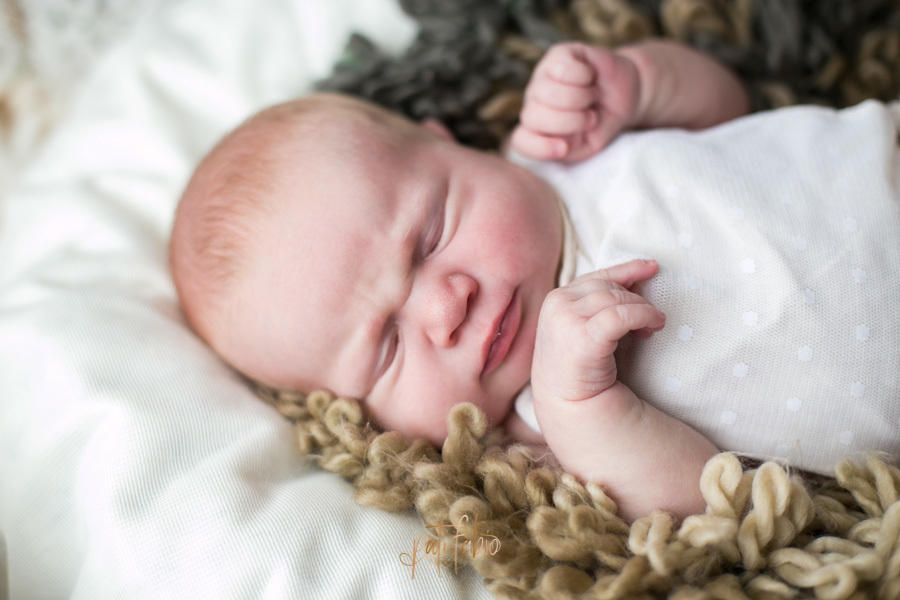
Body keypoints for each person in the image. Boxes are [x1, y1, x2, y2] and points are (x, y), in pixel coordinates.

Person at [169, 39, 900, 522]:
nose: (445, 308)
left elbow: (728, 110)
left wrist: (638, 83)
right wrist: (588, 408)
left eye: (429, 236)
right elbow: (707, 505)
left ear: (453, 144)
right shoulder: (542, 428)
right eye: (388, 346)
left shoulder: (561, 148)